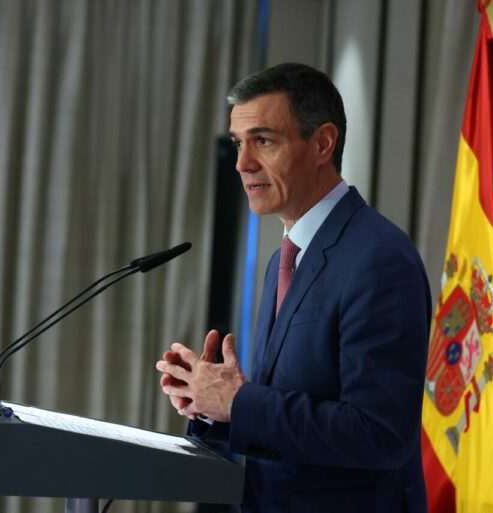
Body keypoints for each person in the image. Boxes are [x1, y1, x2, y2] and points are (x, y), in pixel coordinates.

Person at [156, 62, 431, 512]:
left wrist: (241, 402)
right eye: (238, 144)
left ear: (322, 143)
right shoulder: (285, 258)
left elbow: (380, 435)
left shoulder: (379, 259)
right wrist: (213, 405)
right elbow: (292, 418)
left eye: (263, 141)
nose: (243, 163)